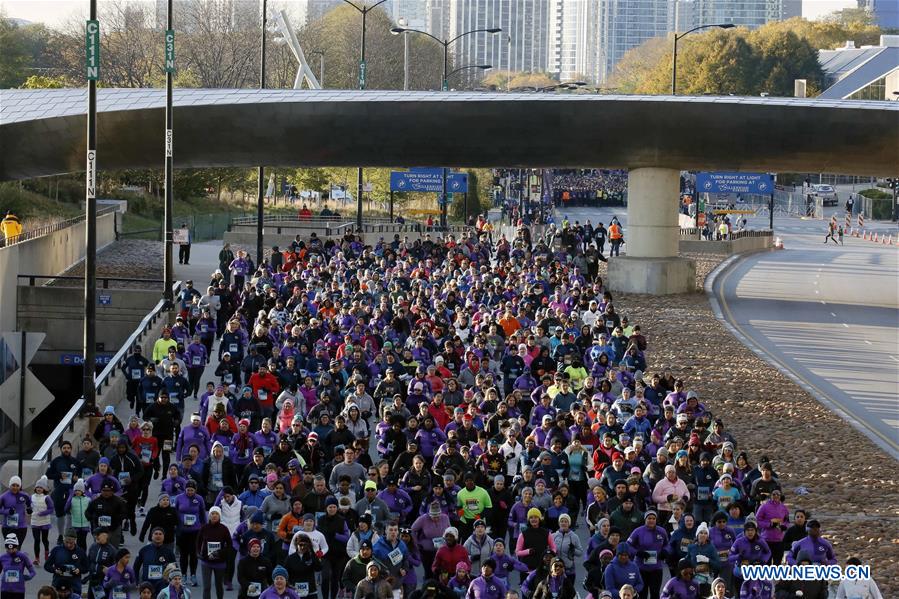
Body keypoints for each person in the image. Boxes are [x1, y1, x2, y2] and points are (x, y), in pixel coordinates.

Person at [0, 533, 36, 599]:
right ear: (5, 547)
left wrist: (28, 577)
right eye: (8, 548)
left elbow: (33, 572)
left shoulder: (23, 556)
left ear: (17, 546)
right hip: (5, 589)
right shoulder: (2, 558)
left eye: (13, 548)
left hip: (19, 590)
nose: (10, 550)